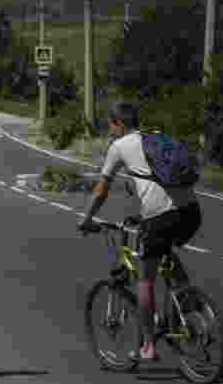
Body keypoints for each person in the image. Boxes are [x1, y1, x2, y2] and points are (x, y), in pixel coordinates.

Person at [78, 101, 202, 362]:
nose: (109, 131)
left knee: (145, 278)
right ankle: (189, 303)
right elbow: (154, 180)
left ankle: (148, 345)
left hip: (161, 217)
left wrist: (86, 218)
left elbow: (101, 190)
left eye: (110, 125)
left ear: (119, 124)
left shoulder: (119, 147)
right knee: (164, 251)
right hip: (191, 212)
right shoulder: (156, 136)